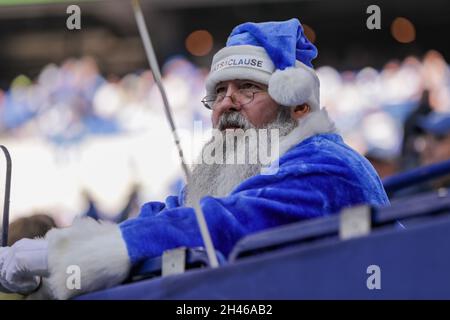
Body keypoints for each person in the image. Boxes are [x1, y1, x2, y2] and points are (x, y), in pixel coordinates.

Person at [0, 18, 389, 299]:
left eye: (248, 88)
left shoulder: (329, 165)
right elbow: (165, 215)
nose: (227, 103)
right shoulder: (237, 171)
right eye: (218, 92)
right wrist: (53, 257)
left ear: (298, 106)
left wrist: (64, 256)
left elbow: (229, 221)